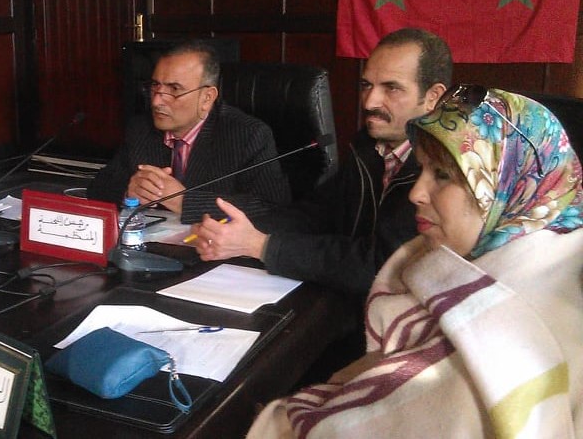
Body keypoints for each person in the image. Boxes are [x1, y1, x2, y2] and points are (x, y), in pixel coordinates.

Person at [246, 86, 583, 437]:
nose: (416, 193)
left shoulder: (498, 350)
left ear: (510, 184)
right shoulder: (366, 152)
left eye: (443, 175)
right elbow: (319, 210)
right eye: (422, 169)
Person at [191, 28, 452, 296]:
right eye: (366, 85)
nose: (370, 102)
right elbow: (318, 212)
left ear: (433, 97)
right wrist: (237, 230)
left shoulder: (444, 172)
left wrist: (262, 245)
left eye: (392, 88)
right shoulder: (369, 145)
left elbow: (381, 266)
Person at [87, 40, 291, 224]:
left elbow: (271, 207)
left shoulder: (247, 135)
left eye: (174, 89)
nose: (156, 101)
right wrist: (128, 191)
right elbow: (99, 186)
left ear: (207, 98)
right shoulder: (141, 128)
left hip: (214, 249)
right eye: (155, 86)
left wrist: (184, 201)